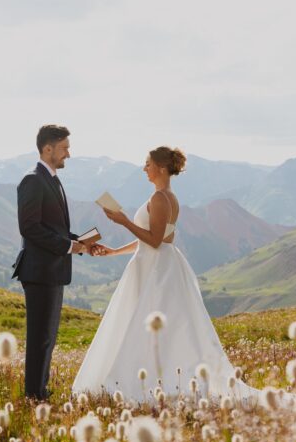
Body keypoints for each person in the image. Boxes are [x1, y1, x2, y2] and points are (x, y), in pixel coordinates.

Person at [71, 145, 260, 402]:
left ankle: (143, 383)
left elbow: (156, 240)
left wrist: (123, 221)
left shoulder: (160, 199)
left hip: (156, 270)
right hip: (158, 264)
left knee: (143, 324)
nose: (144, 168)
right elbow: (153, 240)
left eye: (147, 164)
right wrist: (115, 252)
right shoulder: (169, 197)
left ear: (160, 168)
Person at [12, 124, 105, 400]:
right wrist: (68, 246)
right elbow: (29, 227)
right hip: (39, 272)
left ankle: (40, 390)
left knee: (47, 338)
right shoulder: (32, 180)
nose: (68, 154)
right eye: (64, 148)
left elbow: (54, 228)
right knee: (40, 338)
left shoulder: (52, 179)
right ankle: (33, 396)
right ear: (48, 148)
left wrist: (81, 243)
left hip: (52, 271)